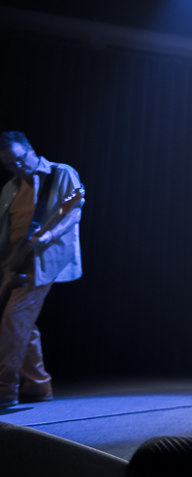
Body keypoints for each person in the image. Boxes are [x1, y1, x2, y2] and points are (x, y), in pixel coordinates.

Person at [0, 132, 83, 409]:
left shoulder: (61, 174)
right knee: (23, 324)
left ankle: (5, 388)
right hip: (12, 262)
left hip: (41, 262)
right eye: (10, 165)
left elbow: (74, 213)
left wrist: (49, 236)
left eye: (20, 160)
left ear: (30, 150)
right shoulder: (11, 187)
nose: (18, 168)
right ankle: (38, 384)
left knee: (14, 319)